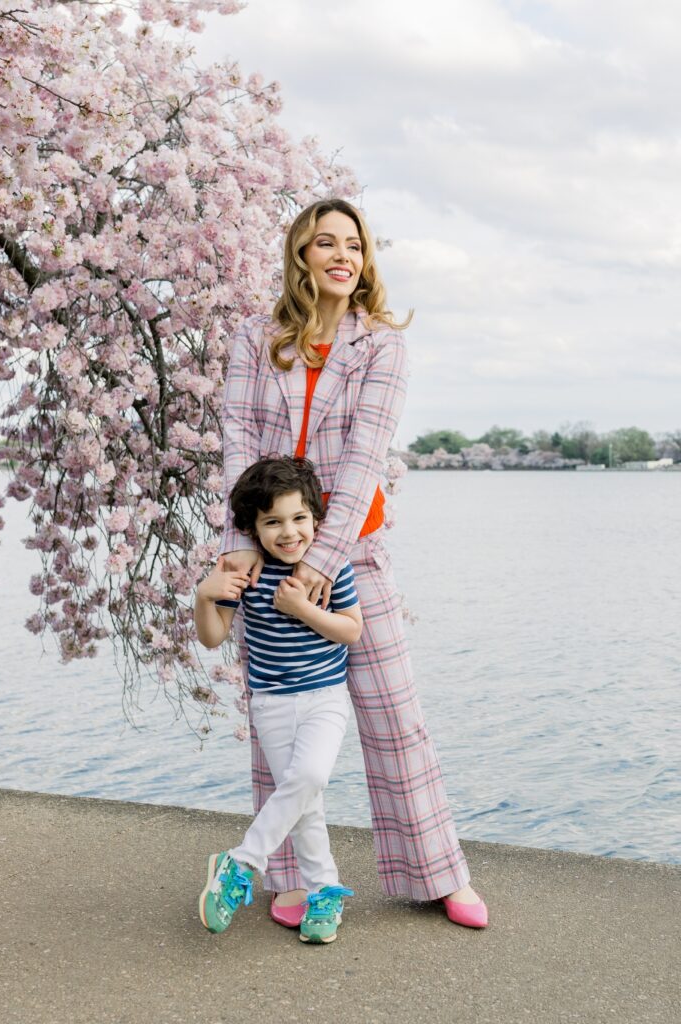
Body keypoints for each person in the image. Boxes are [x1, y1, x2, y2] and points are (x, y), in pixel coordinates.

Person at [217, 198, 488, 929]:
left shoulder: (382, 347)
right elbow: (237, 437)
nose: (343, 255)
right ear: (301, 254)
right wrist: (242, 546)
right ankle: (292, 879)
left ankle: (437, 874)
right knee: (278, 725)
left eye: (355, 245)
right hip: (269, 550)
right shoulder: (255, 338)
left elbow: (367, 455)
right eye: (326, 243)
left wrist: (322, 560)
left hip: (352, 552)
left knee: (394, 717)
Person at [195, 455, 362, 944]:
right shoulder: (243, 573)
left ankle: (241, 860)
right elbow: (212, 638)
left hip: (325, 697)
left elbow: (351, 630)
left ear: (315, 518)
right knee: (305, 802)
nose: (289, 533)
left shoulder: (332, 570)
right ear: (252, 528)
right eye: (273, 523)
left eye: (299, 519)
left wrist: (303, 609)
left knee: (310, 777)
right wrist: (205, 596)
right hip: (271, 702)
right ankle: (324, 893)